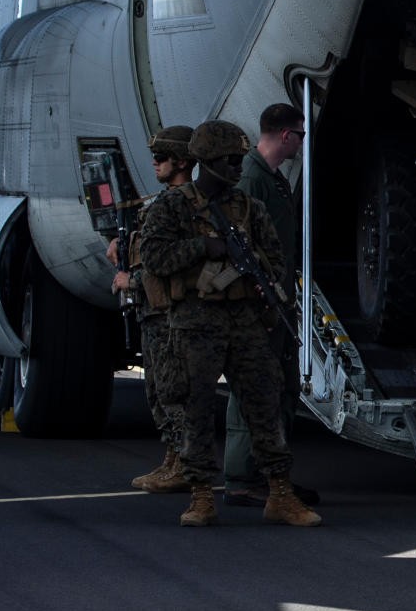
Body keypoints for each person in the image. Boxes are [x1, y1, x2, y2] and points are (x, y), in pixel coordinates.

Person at [137, 119, 321, 527]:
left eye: (239, 160)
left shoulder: (248, 209)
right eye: (228, 161)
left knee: (264, 404)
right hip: (194, 322)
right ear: (206, 161)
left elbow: (274, 260)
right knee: (196, 410)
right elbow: (153, 258)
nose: (237, 168)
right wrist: (204, 247)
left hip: (244, 321)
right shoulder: (173, 206)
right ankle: (201, 496)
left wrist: (262, 284)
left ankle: (280, 493)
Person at [222, 102, 315, 507]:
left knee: (280, 387)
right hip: (257, 303)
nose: (301, 143)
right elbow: (237, 241)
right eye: (300, 135)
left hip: (277, 300)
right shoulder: (250, 179)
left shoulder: (272, 180)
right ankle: (242, 476)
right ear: (284, 135)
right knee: (253, 386)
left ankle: (271, 474)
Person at [114, 125, 195, 493]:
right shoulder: (165, 202)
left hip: (169, 314)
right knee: (157, 390)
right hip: (155, 313)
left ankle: (184, 462)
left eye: (161, 158)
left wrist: (130, 280)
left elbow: (169, 260)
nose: (155, 164)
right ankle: (172, 458)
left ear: (181, 161)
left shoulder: (183, 204)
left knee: (172, 390)